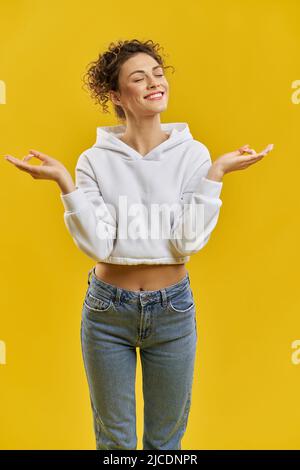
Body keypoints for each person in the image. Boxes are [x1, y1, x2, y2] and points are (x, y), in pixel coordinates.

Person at [4, 39, 274, 450]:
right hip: (106, 310)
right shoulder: (94, 161)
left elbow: (187, 240)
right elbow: (98, 245)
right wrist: (66, 185)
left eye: (158, 73)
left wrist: (215, 173)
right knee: (114, 442)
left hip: (173, 310)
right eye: (139, 77)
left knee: (165, 444)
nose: (154, 82)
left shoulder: (193, 155)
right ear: (116, 95)